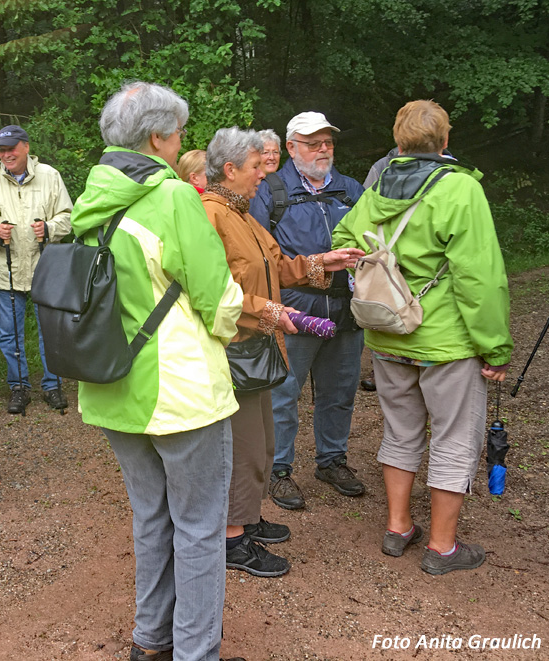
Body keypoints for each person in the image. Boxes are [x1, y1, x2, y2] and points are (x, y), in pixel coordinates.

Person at [72, 81, 246, 661]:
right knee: (199, 527)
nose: (181, 143)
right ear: (157, 138)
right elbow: (217, 294)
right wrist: (237, 324)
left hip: (111, 385)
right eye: (177, 133)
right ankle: (196, 652)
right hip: (178, 393)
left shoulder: (90, 198)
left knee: (151, 520)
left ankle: (152, 641)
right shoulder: (171, 198)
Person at [333, 100, 513, 575]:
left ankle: (397, 527)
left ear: (398, 140)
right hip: (446, 345)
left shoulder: (376, 188)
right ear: (445, 141)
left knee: (401, 430)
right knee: (454, 438)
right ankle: (442, 547)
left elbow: (341, 242)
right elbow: (480, 278)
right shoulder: (459, 190)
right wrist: (495, 347)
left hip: (389, 335)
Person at [201, 127, 363, 579]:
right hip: (235, 349)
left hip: (260, 346)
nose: (264, 173)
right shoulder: (209, 216)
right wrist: (270, 312)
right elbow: (215, 293)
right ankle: (233, 539)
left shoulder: (243, 213)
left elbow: (273, 267)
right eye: (256, 167)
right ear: (229, 170)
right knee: (245, 447)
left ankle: (247, 518)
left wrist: (318, 264)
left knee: (265, 443)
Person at [249, 112, 366, 510]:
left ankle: (332, 461)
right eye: (313, 142)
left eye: (328, 142)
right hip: (295, 311)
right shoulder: (271, 190)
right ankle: (279, 470)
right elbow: (260, 255)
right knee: (283, 395)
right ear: (292, 147)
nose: (323, 149)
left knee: (340, 392)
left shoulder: (352, 189)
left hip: (348, 308)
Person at [0, 125, 73, 414]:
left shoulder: (50, 176)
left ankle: (53, 386)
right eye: (2, 150)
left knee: (49, 331)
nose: (6, 154)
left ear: (26, 147)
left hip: (45, 270)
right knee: (10, 334)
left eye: (11, 148)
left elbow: (68, 215)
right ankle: (19, 387)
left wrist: (49, 228)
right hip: (7, 271)